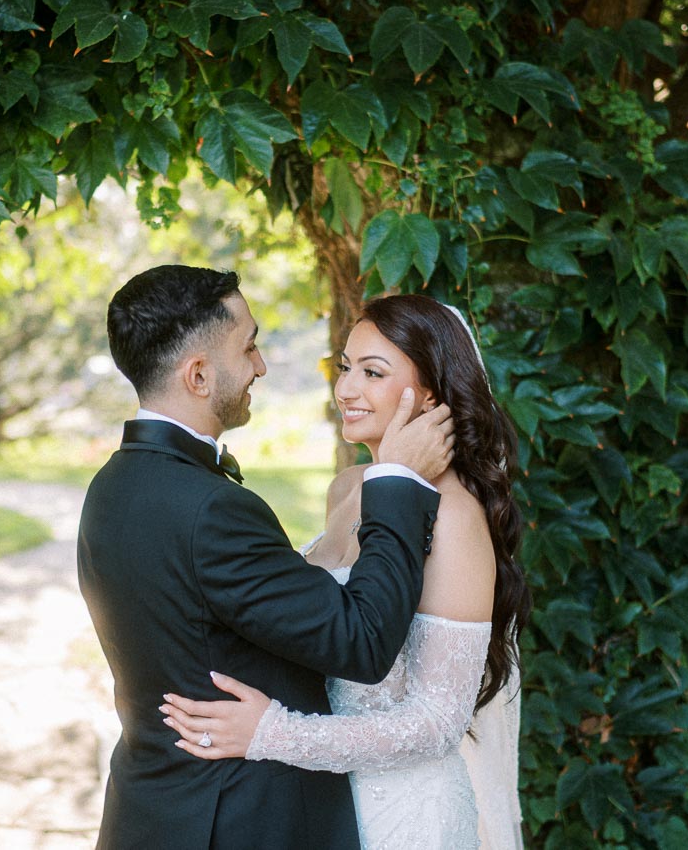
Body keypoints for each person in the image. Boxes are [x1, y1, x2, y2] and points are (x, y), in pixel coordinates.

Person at [77, 266, 457, 850]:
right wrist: (399, 481)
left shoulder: (109, 489)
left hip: (148, 813)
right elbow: (362, 641)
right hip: (241, 820)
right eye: (249, 346)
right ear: (199, 375)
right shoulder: (211, 510)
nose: (260, 365)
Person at [160, 294, 530, 850]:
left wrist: (274, 734)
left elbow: (436, 723)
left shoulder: (453, 517)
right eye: (346, 367)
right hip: (322, 805)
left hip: (408, 818)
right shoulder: (348, 488)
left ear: (429, 392)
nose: (346, 389)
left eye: (373, 372)